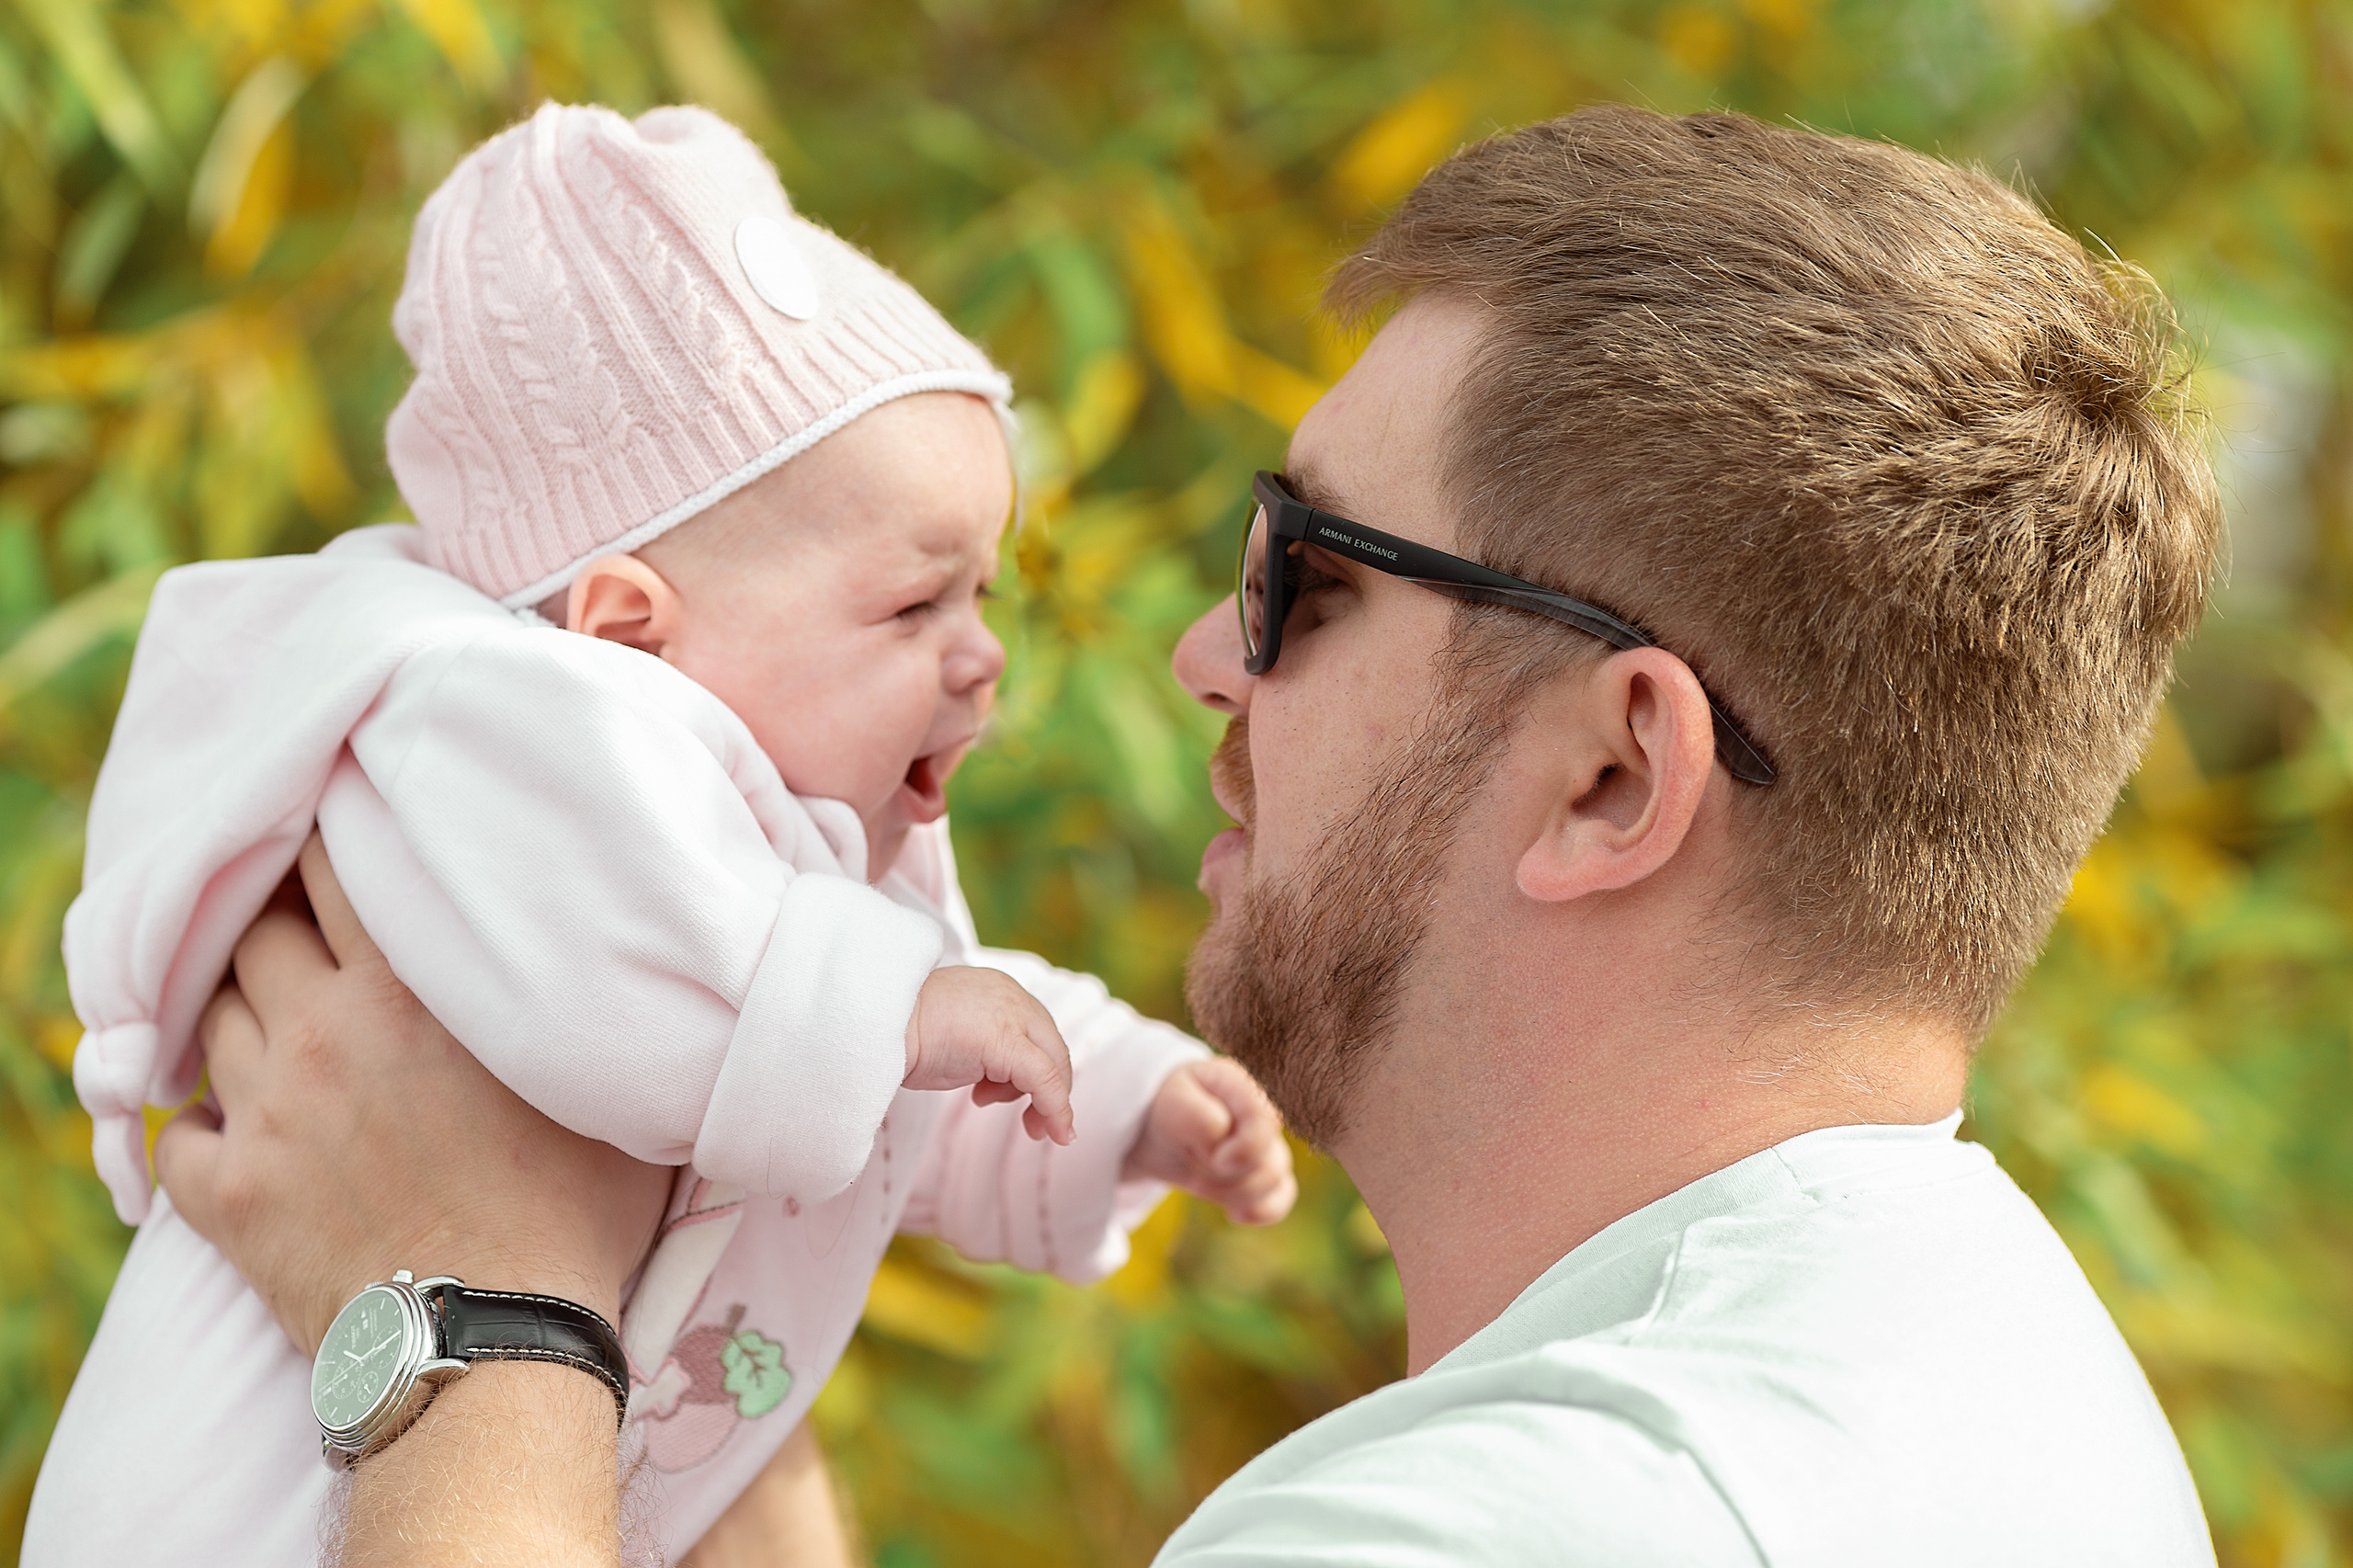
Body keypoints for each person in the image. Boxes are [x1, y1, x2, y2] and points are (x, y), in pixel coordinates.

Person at [150, 103, 2223, 1565]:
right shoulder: (1963, 1373)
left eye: (1297, 573)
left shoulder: (1542, 1521)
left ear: (1612, 772)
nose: (1187, 661)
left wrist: (478, 1315)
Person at [26, 103, 1294, 1567]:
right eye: (913, 604)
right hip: (236, 1502)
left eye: (987, 596)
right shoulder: (488, 734)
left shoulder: (775, 917)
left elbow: (868, 1079)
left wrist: (1114, 1093)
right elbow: (706, 986)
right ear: (627, 629)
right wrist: (903, 1006)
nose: (984, 657)